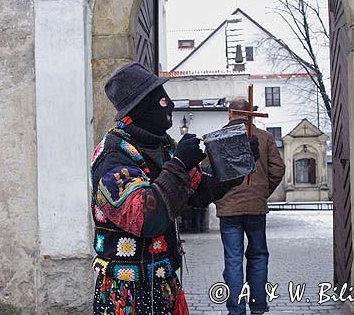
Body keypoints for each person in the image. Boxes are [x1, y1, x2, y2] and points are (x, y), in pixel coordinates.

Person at [90, 63, 258, 314]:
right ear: (140, 108)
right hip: (126, 293)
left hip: (162, 280)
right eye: (160, 100)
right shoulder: (114, 154)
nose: (169, 105)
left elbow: (199, 192)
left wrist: (234, 165)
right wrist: (179, 164)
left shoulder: (163, 145)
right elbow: (143, 218)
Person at [214, 97, 285, 315]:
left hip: (229, 209)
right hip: (256, 207)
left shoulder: (218, 138)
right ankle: (258, 306)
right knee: (258, 256)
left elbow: (208, 172)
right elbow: (278, 169)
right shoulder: (264, 137)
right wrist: (263, 192)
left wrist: (219, 197)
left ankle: (236, 311)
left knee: (233, 260)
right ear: (250, 113)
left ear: (230, 114)